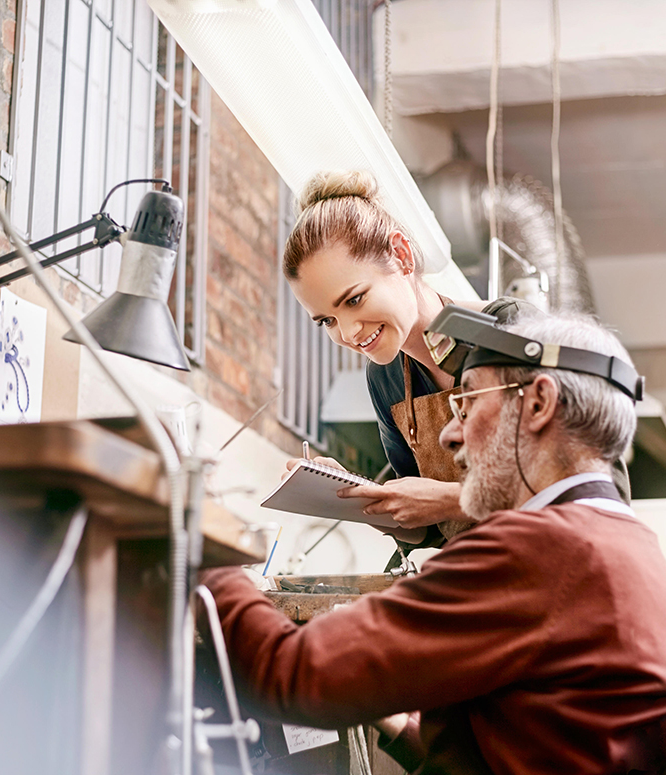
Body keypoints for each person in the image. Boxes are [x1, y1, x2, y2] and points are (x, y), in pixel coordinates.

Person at [201, 307, 666, 774]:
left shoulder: (532, 549)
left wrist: (205, 540)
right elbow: (523, 748)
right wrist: (398, 725)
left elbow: (294, 675)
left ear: (539, 403)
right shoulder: (637, 549)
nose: (448, 434)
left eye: (467, 405)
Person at [281, 170, 537, 552]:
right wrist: (356, 497)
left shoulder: (510, 329)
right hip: (473, 578)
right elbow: (428, 532)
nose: (348, 333)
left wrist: (450, 499)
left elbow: (567, 485)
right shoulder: (385, 378)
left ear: (401, 256)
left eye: (354, 300)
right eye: (327, 321)